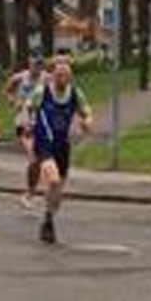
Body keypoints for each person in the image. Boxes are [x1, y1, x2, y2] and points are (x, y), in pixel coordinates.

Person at [28, 55, 94, 246]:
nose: (62, 79)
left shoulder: (75, 93)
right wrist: (29, 125)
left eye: (66, 75)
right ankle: (47, 217)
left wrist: (87, 122)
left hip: (62, 145)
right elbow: (28, 108)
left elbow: (86, 111)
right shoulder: (42, 92)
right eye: (59, 75)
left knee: (57, 192)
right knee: (54, 179)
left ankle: (48, 219)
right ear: (52, 75)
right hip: (44, 142)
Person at [7, 55, 44, 210]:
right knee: (34, 158)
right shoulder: (19, 77)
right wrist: (13, 101)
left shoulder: (46, 78)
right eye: (35, 64)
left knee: (39, 161)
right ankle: (28, 195)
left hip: (40, 123)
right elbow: (7, 90)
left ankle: (30, 194)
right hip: (23, 122)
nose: (37, 67)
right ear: (29, 64)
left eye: (40, 65)